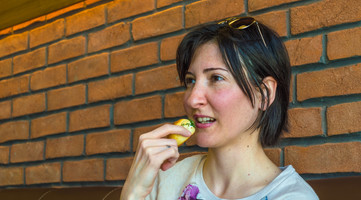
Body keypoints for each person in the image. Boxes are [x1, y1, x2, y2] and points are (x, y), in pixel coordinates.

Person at [120, 17, 319, 200]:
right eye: (190, 80)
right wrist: (133, 193)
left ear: (264, 94)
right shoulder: (164, 180)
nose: (192, 99)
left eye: (216, 78)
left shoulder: (292, 196)